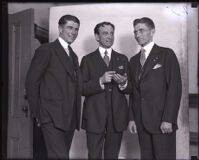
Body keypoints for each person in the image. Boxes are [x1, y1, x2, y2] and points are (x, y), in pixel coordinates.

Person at [25, 14, 82, 159]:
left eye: (76, 29)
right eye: (70, 27)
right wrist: (38, 113)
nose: (73, 32)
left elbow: (74, 86)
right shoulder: (46, 50)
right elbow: (31, 82)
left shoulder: (74, 56)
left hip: (69, 118)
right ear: (60, 28)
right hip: (51, 117)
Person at [128, 17, 182, 159]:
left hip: (162, 122)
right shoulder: (133, 61)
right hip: (141, 123)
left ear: (152, 32)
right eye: (135, 32)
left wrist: (169, 119)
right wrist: (132, 118)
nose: (137, 35)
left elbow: (175, 88)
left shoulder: (166, 54)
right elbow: (134, 92)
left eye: (141, 30)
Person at [80, 22, 130, 159]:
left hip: (117, 118)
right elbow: (81, 89)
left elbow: (131, 89)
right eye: (105, 33)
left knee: (112, 156)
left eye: (111, 33)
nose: (109, 36)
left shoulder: (123, 59)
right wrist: (100, 81)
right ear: (97, 36)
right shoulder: (87, 60)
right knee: (94, 155)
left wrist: (124, 83)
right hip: (94, 118)